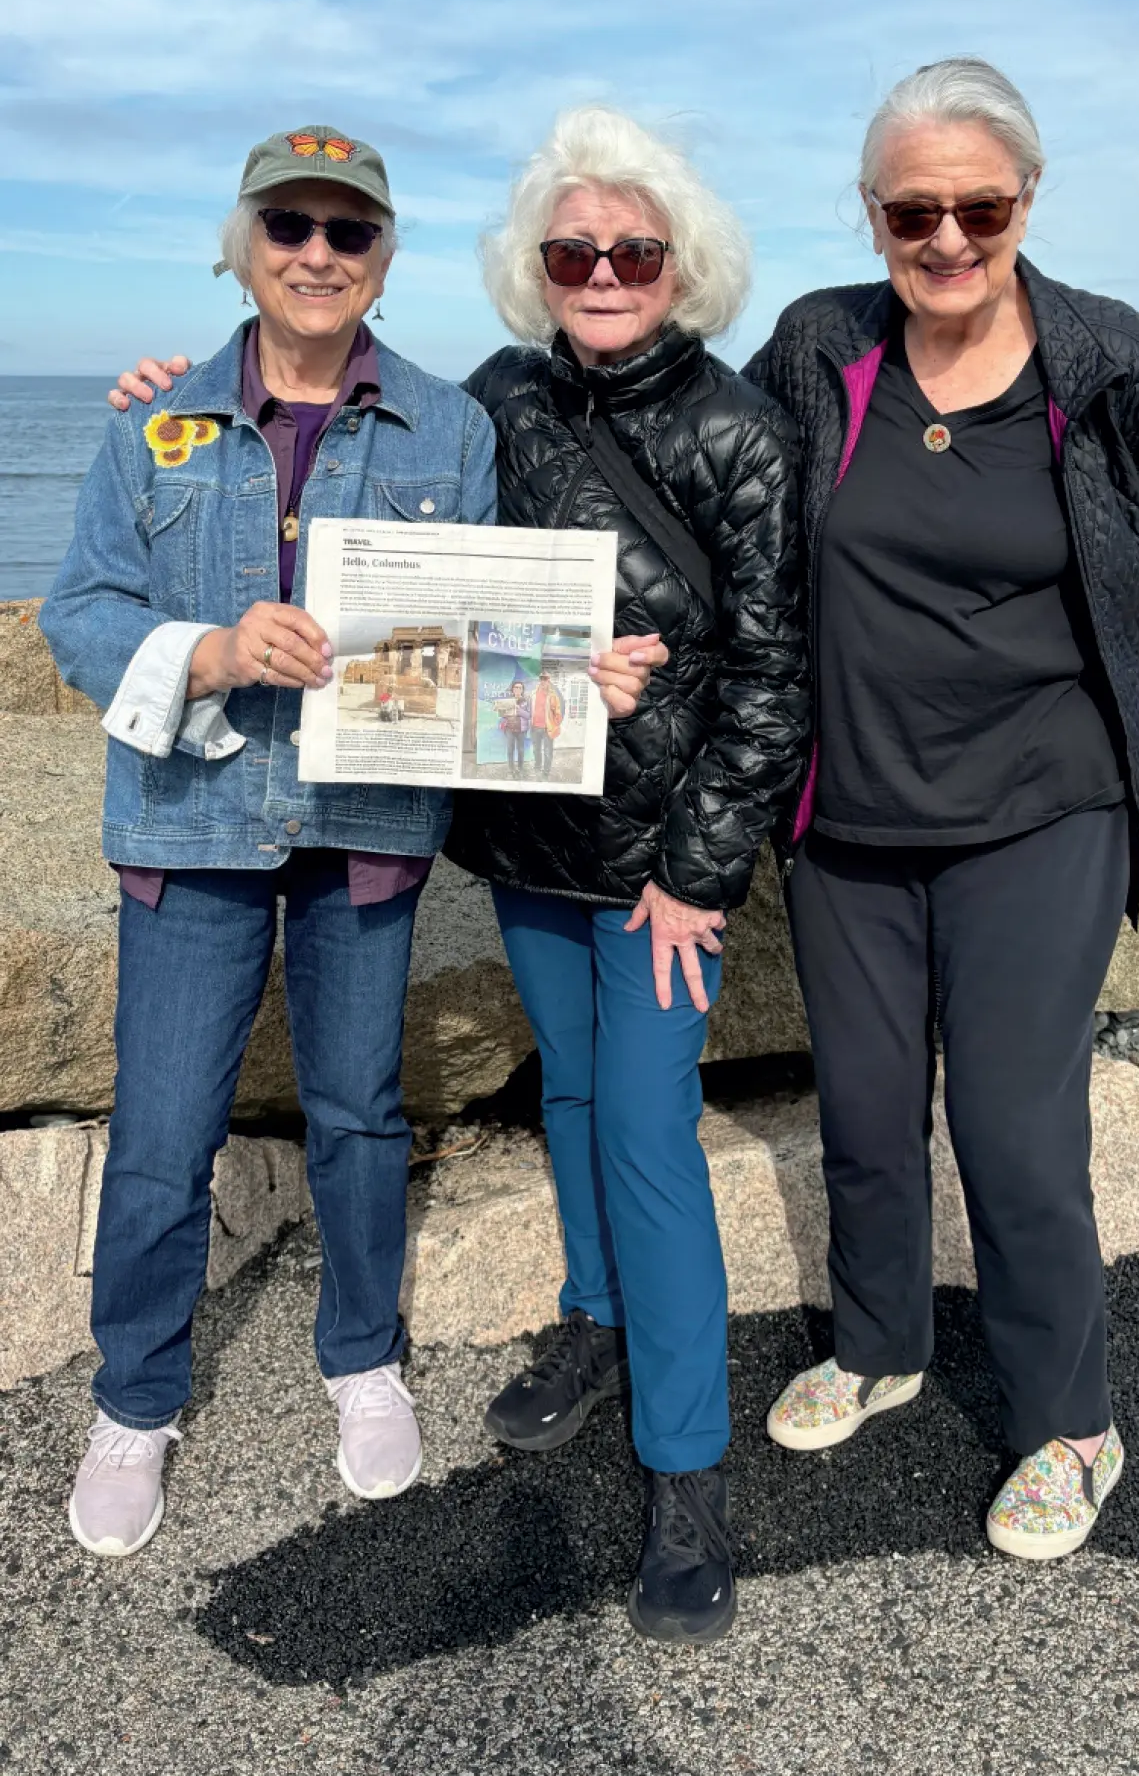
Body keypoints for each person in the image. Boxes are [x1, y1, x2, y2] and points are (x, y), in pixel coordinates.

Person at [106, 104, 809, 1642]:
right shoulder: (494, 403)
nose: (605, 270)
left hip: (660, 863)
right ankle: (595, 1317)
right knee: (568, 1092)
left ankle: (685, 1465)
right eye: (576, 250)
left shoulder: (745, 430)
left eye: (633, 249)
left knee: (643, 1126)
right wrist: (164, 403)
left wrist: (696, 864)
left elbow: (774, 671)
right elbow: (441, 615)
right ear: (534, 268)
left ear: (680, 264)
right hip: (536, 836)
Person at [47, 122, 654, 1565]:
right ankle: (136, 1397)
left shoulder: (451, 426)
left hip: (366, 829)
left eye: (350, 231)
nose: (318, 253)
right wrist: (205, 649)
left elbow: (489, 626)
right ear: (242, 241)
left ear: (384, 255)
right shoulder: (154, 423)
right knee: (160, 1136)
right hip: (190, 826)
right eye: (291, 226)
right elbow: (82, 611)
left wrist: (578, 675)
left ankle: (362, 1357)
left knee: (362, 1111)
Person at [744, 58, 1139, 1560]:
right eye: (913, 209)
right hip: (848, 814)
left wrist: (1060, 671)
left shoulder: (1111, 358)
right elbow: (718, 499)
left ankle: (1074, 1419)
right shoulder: (819, 346)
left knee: (1013, 1126)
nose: (946, 236)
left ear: (1025, 199)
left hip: (1043, 806)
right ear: (872, 212)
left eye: (978, 204)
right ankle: (881, 1342)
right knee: (869, 1114)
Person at [530, 666, 564, 777]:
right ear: (539, 680)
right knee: (536, 750)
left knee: (548, 752)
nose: (543, 681)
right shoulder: (534, 693)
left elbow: (558, 712)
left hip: (547, 729)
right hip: (535, 727)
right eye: (542, 678)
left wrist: (555, 724)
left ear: (549, 680)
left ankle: (546, 771)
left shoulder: (552, 695)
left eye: (546, 679)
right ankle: (538, 766)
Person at [499, 677, 531, 774]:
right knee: (510, 749)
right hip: (510, 728)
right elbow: (502, 715)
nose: (517, 689)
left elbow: (529, 715)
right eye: (516, 687)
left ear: (522, 690)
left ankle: (520, 767)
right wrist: (501, 711)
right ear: (512, 689)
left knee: (521, 750)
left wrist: (518, 710)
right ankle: (511, 768)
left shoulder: (526, 700)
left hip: (522, 729)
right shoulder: (508, 701)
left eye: (520, 688)